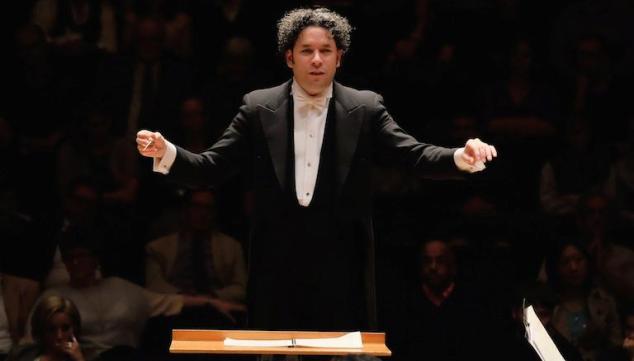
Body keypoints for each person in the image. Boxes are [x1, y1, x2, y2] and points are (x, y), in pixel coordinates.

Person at [136, 7, 497, 331]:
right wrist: (167, 151)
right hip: (275, 269)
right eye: (307, 51)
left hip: (342, 269)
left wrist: (458, 157)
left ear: (339, 58)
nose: (317, 59)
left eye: (326, 51)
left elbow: (413, 156)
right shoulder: (258, 107)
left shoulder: (365, 107)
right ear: (289, 57)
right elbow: (210, 168)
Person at [8, 295, 86, 361]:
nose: (59, 336)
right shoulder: (21, 355)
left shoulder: (92, 355)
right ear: (41, 330)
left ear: (75, 328)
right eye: (52, 329)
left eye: (65, 328)